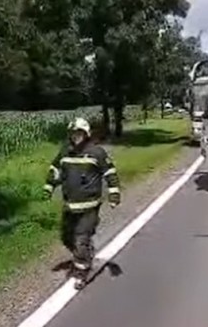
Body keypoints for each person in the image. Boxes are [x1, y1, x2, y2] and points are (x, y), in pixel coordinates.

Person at [43, 117, 121, 289]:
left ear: (86, 134)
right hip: (70, 206)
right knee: (66, 238)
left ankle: (81, 274)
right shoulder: (65, 152)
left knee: (80, 240)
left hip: (89, 207)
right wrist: (49, 187)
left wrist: (114, 195)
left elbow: (110, 174)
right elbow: (55, 170)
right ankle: (85, 253)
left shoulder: (97, 153)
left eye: (79, 133)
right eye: (73, 133)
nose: (75, 137)